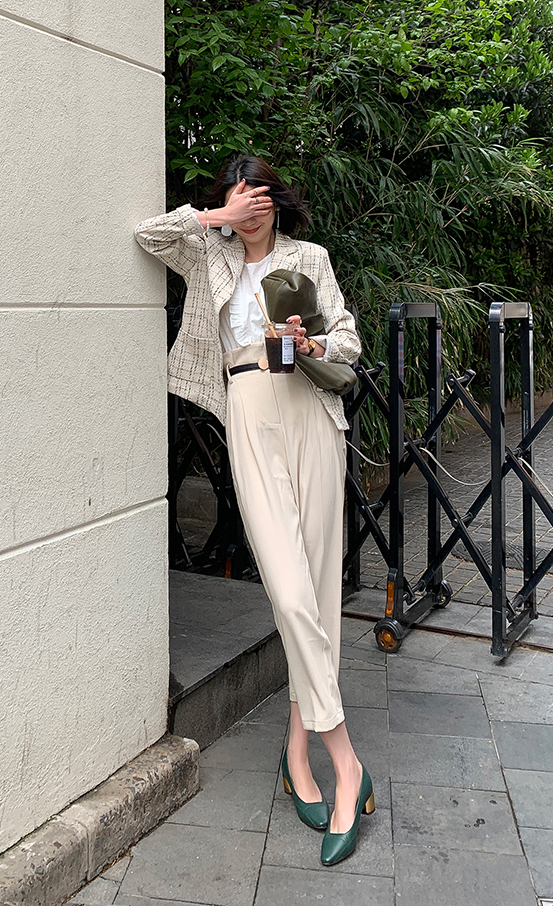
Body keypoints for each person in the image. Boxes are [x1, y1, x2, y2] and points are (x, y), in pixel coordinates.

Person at [135, 155, 374, 866]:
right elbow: (147, 235)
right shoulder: (208, 252)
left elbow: (349, 341)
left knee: (319, 598)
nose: (252, 207)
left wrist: (312, 341)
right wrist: (216, 219)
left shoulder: (309, 258)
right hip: (247, 409)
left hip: (311, 413)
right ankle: (347, 763)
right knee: (290, 595)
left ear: (277, 201)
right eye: (239, 196)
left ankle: (298, 756)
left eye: (260, 195)